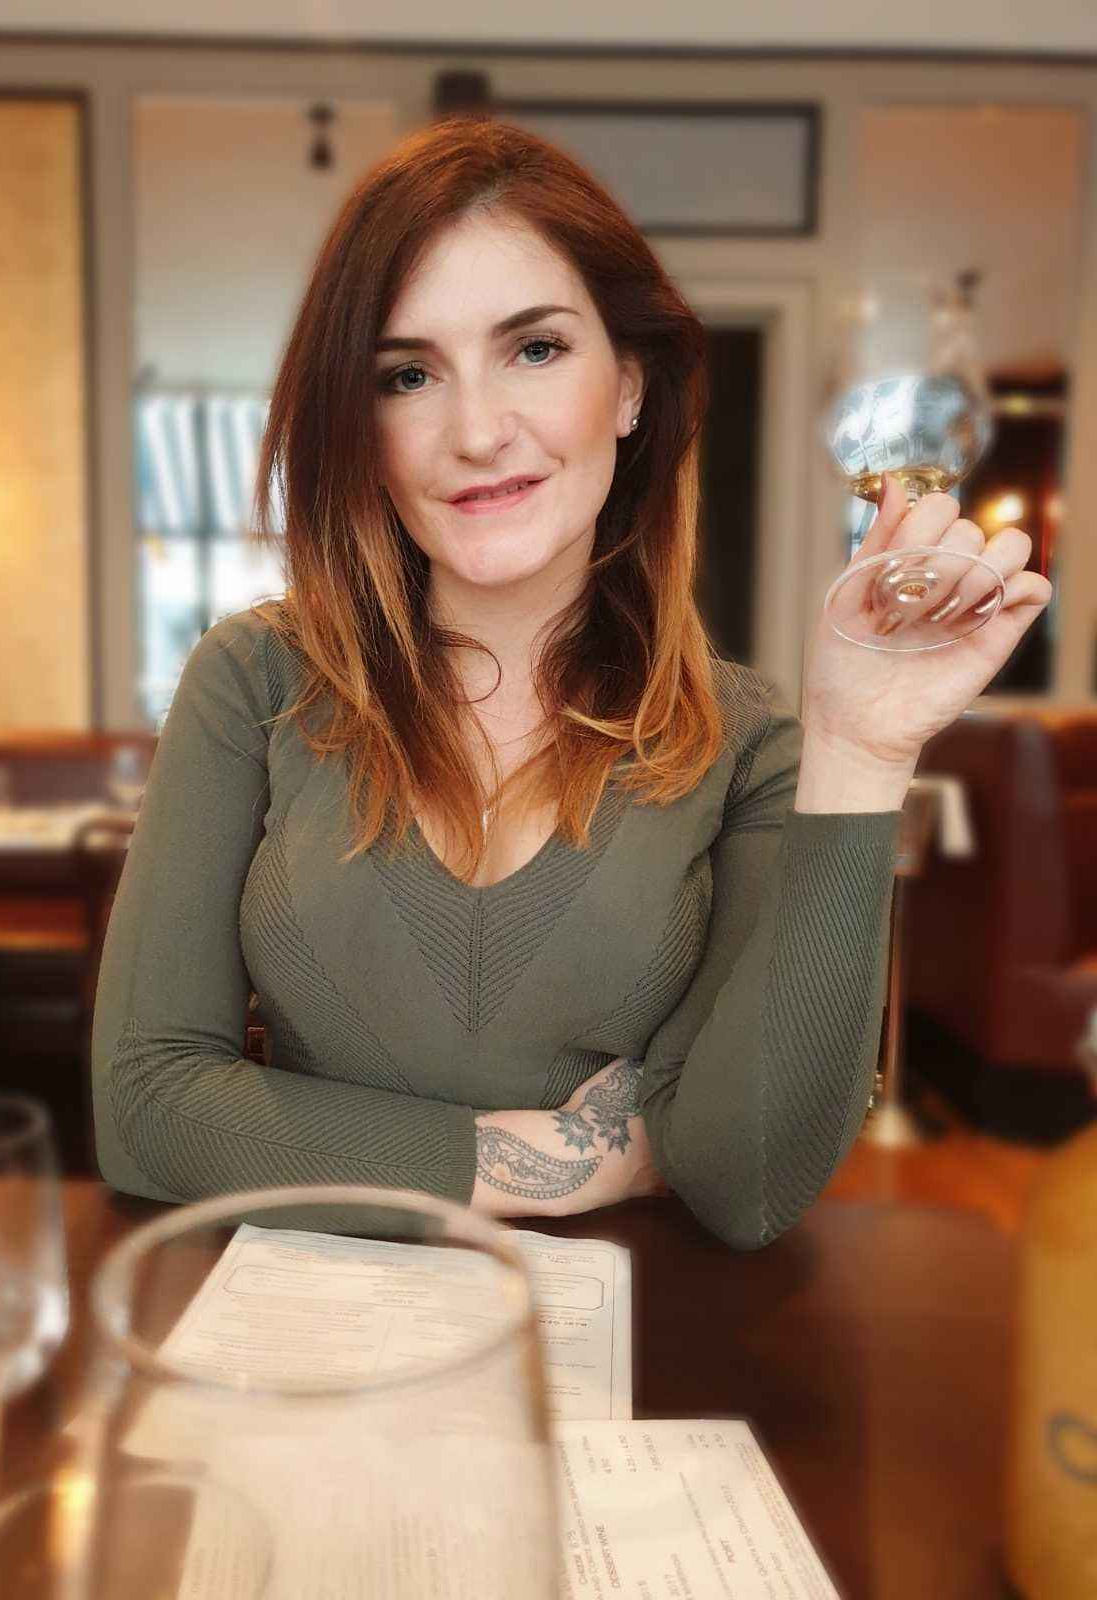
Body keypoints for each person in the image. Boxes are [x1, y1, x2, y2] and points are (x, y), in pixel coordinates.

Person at [91, 117, 1051, 1249]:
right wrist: (555, 1162)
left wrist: (863, 752)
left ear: (631, 386)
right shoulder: (254, 678)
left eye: (535, 350)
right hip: (295, 1328)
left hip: (620, 1339)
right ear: (362, 424)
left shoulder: (749, 742)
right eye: (409, 375)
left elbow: (743, 1182)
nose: (477, 432)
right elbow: (146, 1106)